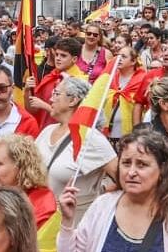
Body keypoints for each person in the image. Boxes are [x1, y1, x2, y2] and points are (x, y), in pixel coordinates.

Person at [34, 75, 114, 238]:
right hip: (40, 222)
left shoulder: (91, 139)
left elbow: (124, 177)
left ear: (73, 100)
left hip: (73, 228)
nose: (50, 98)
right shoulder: (47, 131)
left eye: (56, 93)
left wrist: (100, 192)